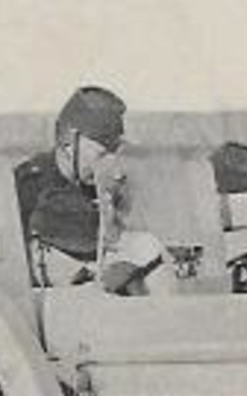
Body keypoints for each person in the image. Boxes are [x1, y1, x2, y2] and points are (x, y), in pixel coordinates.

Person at [13, 85, 168, 295]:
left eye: (115, 153)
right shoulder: (27, 187)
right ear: (69, 143)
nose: (113, 167)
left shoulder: (101, 183)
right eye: (103, 154)